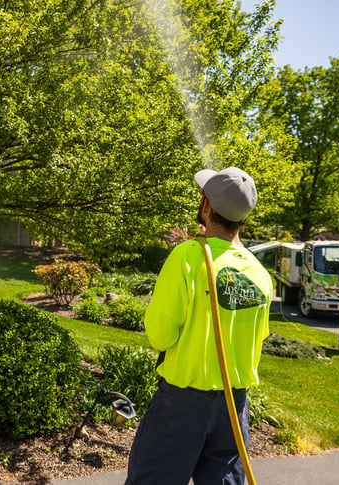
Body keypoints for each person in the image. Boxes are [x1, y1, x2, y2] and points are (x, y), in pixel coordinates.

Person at [125, 166, 273, 485]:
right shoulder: (261, 274)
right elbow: (257, 340)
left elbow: (161, 336)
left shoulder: (189, 256)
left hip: (182, 404)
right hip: (235, 408)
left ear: (206, 207)